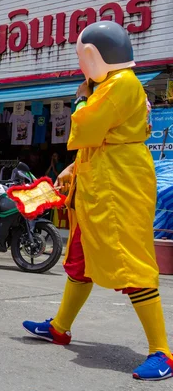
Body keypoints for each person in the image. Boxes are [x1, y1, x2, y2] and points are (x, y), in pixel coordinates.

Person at [22, 21, 172, 381]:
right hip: (100, 183)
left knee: (129, 261)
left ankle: (162, 352)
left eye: (81, 57)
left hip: (118, 188)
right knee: (79, 258)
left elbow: (86, 126)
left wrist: (80, 97)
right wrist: (74, 167)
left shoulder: (121, 85)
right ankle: (60, 326)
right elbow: (103, 138)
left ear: (92, 56)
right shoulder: (116, 86)